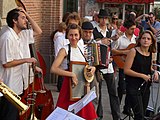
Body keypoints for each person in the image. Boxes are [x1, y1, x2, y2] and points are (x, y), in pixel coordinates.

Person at [0, 7, 42, 120]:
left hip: (18, 85)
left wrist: (27, 14)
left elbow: (39, 31)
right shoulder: (7, 37)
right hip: (9, 87)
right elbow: (6, 63)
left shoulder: (22, 34)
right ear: (14, 20)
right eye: (22, 18)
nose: (26, 21)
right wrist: (27, 60)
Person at [50, 23, 97, 120]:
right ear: (67, 35)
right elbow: (53, 68)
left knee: (85, 115)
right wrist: (71, 74)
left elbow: (86, 67)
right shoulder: (64, 50)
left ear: (80, 35)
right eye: (71, 35)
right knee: (66, 115)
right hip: (69, 87)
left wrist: (93, 68)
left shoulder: (82, 49)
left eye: (76, 35)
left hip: (83, 87)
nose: (73, 37)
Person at [124, 30, 159, 120]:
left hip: (145, 87)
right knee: (139, 115)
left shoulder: (151, 53)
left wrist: (154, 72)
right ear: (139, 40)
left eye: (148, 39)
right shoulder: (133, 51)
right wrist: (142, 75)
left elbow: (148, 67)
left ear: (152, 42)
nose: (146, 40)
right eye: (143, 38)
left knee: (142, 114)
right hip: (133, 87)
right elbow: (126, 70)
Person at [93, 9, 121, 120]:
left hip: (108, 66)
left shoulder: (111, 32)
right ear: (98, 19)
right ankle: (99, 115)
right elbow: (91, 44)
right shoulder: (94, 31)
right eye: (102, 18)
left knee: (113, 92)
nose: (104, 20)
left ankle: (116, 116)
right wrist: (101, 42)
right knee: (98, 92)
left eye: (105, 18)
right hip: (98, 66)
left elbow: (114, 48)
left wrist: (116, 39)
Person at [112, 19, 137, 115]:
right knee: (122, 86)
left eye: (134, 29)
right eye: (131, 29)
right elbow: (113, 51)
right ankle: (116, 106)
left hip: (132, 66)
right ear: (126, 29)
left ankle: (127, 107)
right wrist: (124, 52)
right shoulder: (120, 39)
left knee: (131, 87)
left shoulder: (136, 39)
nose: (133, 31)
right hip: (122, 64)